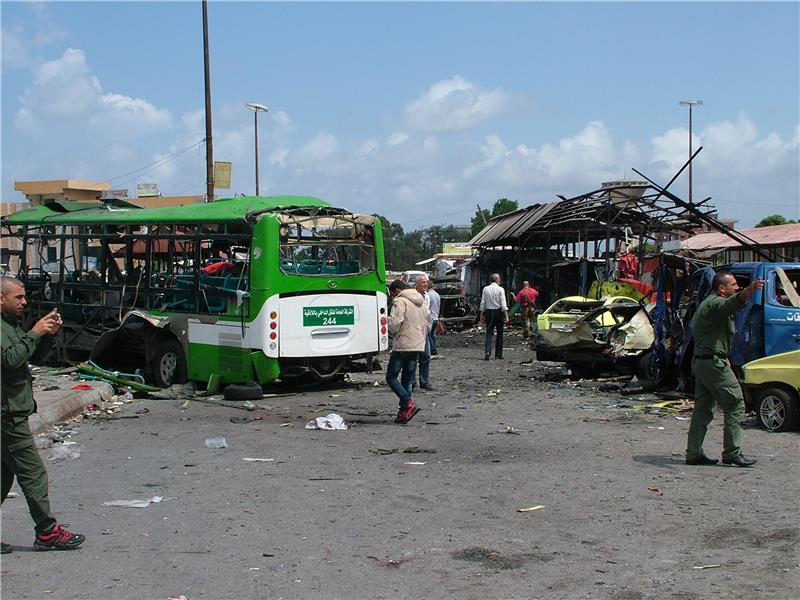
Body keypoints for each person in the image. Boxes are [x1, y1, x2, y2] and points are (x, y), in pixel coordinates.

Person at [1, 276, 86, 552]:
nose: (24, 302)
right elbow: (10, 359)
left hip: (12, 411)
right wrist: (35, 332)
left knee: (3, 477)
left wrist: (47, 336)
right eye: (19, 298)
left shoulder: (10, 325)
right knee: (33, 474)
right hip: (7, 415)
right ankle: (48, 532)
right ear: (1, 298)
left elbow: (32, 358)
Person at [685, 272, 764, 467]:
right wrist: (749, 291)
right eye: (734, 284)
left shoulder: (707, 303)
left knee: (703, 409)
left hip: (706, 362)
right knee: (735, 404)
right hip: (712, 364)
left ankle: (694, 453)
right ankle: (732, 453)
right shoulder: (716, 304)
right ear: (722, 288)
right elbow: (731, 304)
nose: (736, 287)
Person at [386, 280, 430, 424]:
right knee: (407, 380)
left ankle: (407, 402)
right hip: (417, 345)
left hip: (403, 344)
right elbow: (429, 322)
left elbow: (394, 323)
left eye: (392, 294)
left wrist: (386, 321)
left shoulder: (400, 301)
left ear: (397, 291)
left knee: (391, 377)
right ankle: (404, 413)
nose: (392, 297)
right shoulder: (421, 302)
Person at [479, 273, 509, 360]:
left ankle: (487, 351)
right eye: (499, 278)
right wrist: (506, 316)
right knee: (500, 333)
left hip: (489, 312)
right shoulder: (501, 289)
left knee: (489, 333)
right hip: (498, 312)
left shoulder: (485, 289)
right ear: (496, 279)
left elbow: (483, 303)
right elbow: (503, 304)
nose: (500, 280)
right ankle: (498, 355)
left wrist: (481, 315)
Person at [413, 274, 434, 391]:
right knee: (413, 358)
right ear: (416, 285)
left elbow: (427, 313)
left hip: (424, 330)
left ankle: (424, 381)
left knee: (426, 356)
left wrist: (428, 327)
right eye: (423, 282)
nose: (425, 284)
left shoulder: (427, 296)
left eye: (426, 282)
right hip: (414, 330)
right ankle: (412, 382)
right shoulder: (412, 296)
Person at [427, 281, 442, 357]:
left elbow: (426, 308)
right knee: (433, 335)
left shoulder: (428, 295)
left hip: (430, 318)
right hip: (436, 317)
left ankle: (432, 350)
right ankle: (434, 349)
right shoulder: (437, 295)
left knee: (428, 335)